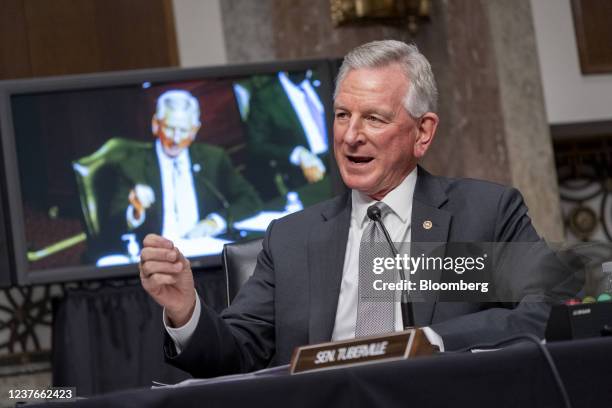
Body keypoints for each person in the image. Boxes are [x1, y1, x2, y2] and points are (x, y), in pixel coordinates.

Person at [139, 41, 573, 378]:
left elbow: (542, 310)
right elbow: (234, 352)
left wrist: (432, 341)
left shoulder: (483, 213)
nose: (350, 136)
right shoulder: (291, 239)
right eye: (343, 115)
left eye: (374, 119)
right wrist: (185, 310)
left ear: (423, 133)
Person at [99, 90, 262, 252]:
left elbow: (250, 200)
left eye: (183, 131)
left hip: (206, 249)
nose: (176, 139)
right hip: (159, 258)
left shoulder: (213, 158)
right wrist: (136, 211)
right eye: (170, 128)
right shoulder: (132, 166)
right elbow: (112, 227)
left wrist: (214, 222)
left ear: (194, 130)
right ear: (156, 124)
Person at [235, 71, 328, 200]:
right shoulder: (264, 97)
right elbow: (256, 146)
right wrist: (297, 154)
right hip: (304, 171)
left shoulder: (325, 76)